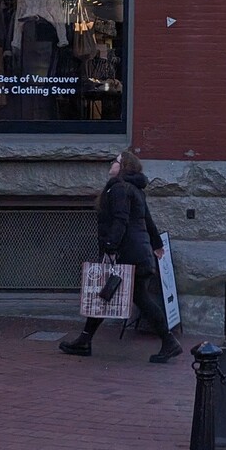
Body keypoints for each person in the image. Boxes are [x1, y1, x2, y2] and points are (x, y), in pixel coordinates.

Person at [60, 150, 182, 363]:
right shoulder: (134, 189)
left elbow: (121, 219)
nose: (111, 164)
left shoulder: (119, 188)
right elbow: (147, 220)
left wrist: (110, 246)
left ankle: (169, 341)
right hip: (137, 253)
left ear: (124, 165)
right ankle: (84, 340)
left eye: (115, 161)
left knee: (133, 297)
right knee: (105, 294)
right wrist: (156, 244)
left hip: (127, 254)